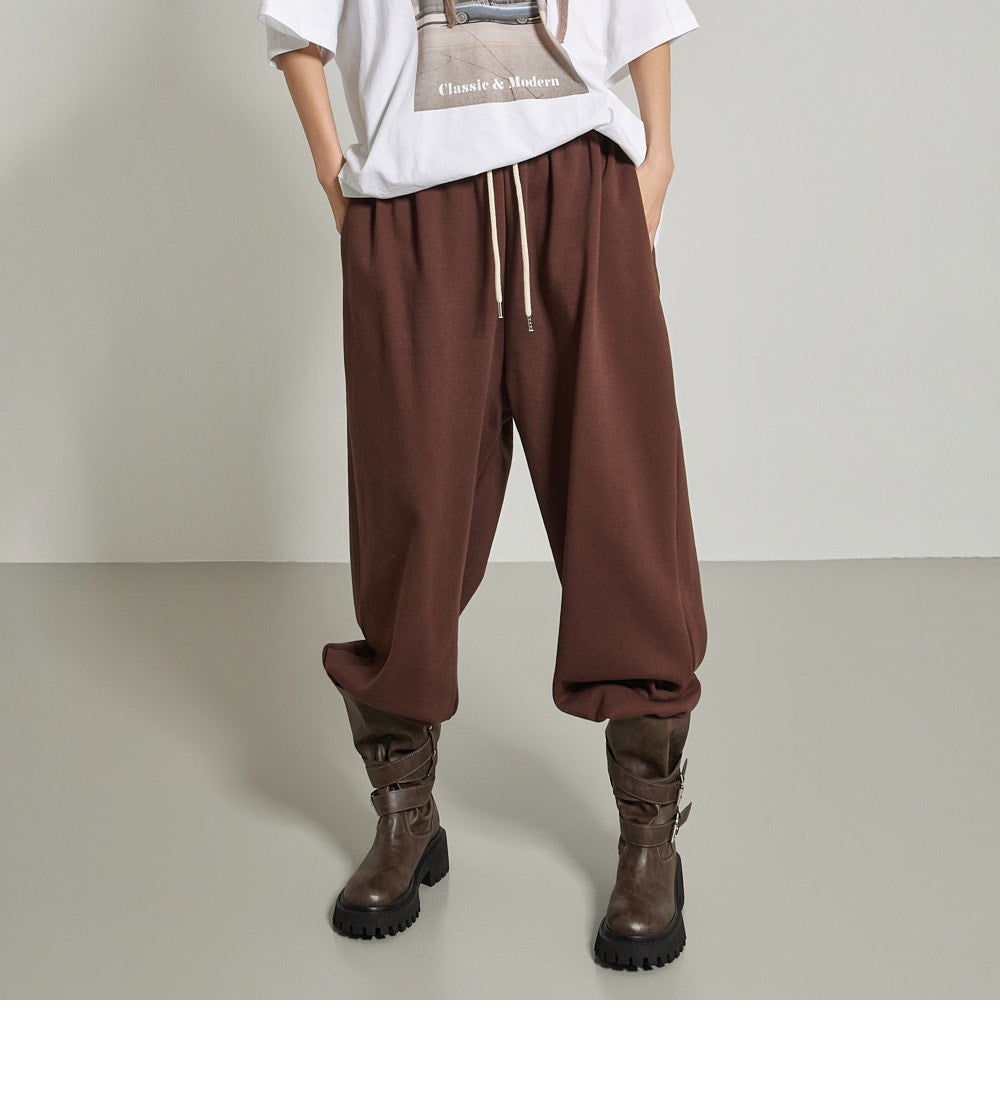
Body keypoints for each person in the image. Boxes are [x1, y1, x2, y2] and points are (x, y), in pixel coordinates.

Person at [257, 0, 708, 971]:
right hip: (415, 205)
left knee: (622, 504)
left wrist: (659, 152)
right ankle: (405, 814)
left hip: (575, 185)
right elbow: (298, 25)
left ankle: (649, 834)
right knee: (410, 513)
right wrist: (340, 182)